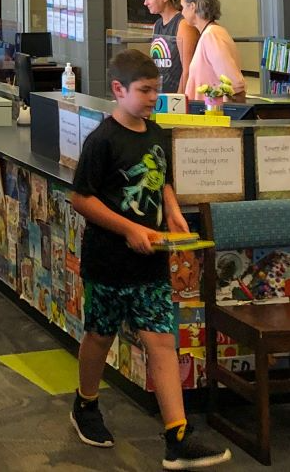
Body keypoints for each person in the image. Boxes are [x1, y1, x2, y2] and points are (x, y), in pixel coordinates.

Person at [69, 48, 229, 468]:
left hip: (151, 262)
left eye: (157, 90)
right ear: (118, 89)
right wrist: (128, 229)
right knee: (100, 336)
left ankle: (176, 434)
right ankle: (86, 404)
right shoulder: (101, 141)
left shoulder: (157, 133)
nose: (151, 99)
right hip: (108, 262)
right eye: (143, 91)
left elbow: (165, 182)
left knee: (161, 340)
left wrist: (173, 213)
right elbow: (81, 199)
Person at [180, 0, 246, 104]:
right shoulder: (211, 33)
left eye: (183, 7)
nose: (182, 12)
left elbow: (233, 85)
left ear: (193, 6)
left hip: (213, 114)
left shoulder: (212, 35)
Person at [140, 0, 191, 94]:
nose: (145, 3)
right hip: (161, 92)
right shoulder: (157, 25)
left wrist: (179, 99)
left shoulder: (182, 24)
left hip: (177, 92)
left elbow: (188, 69)